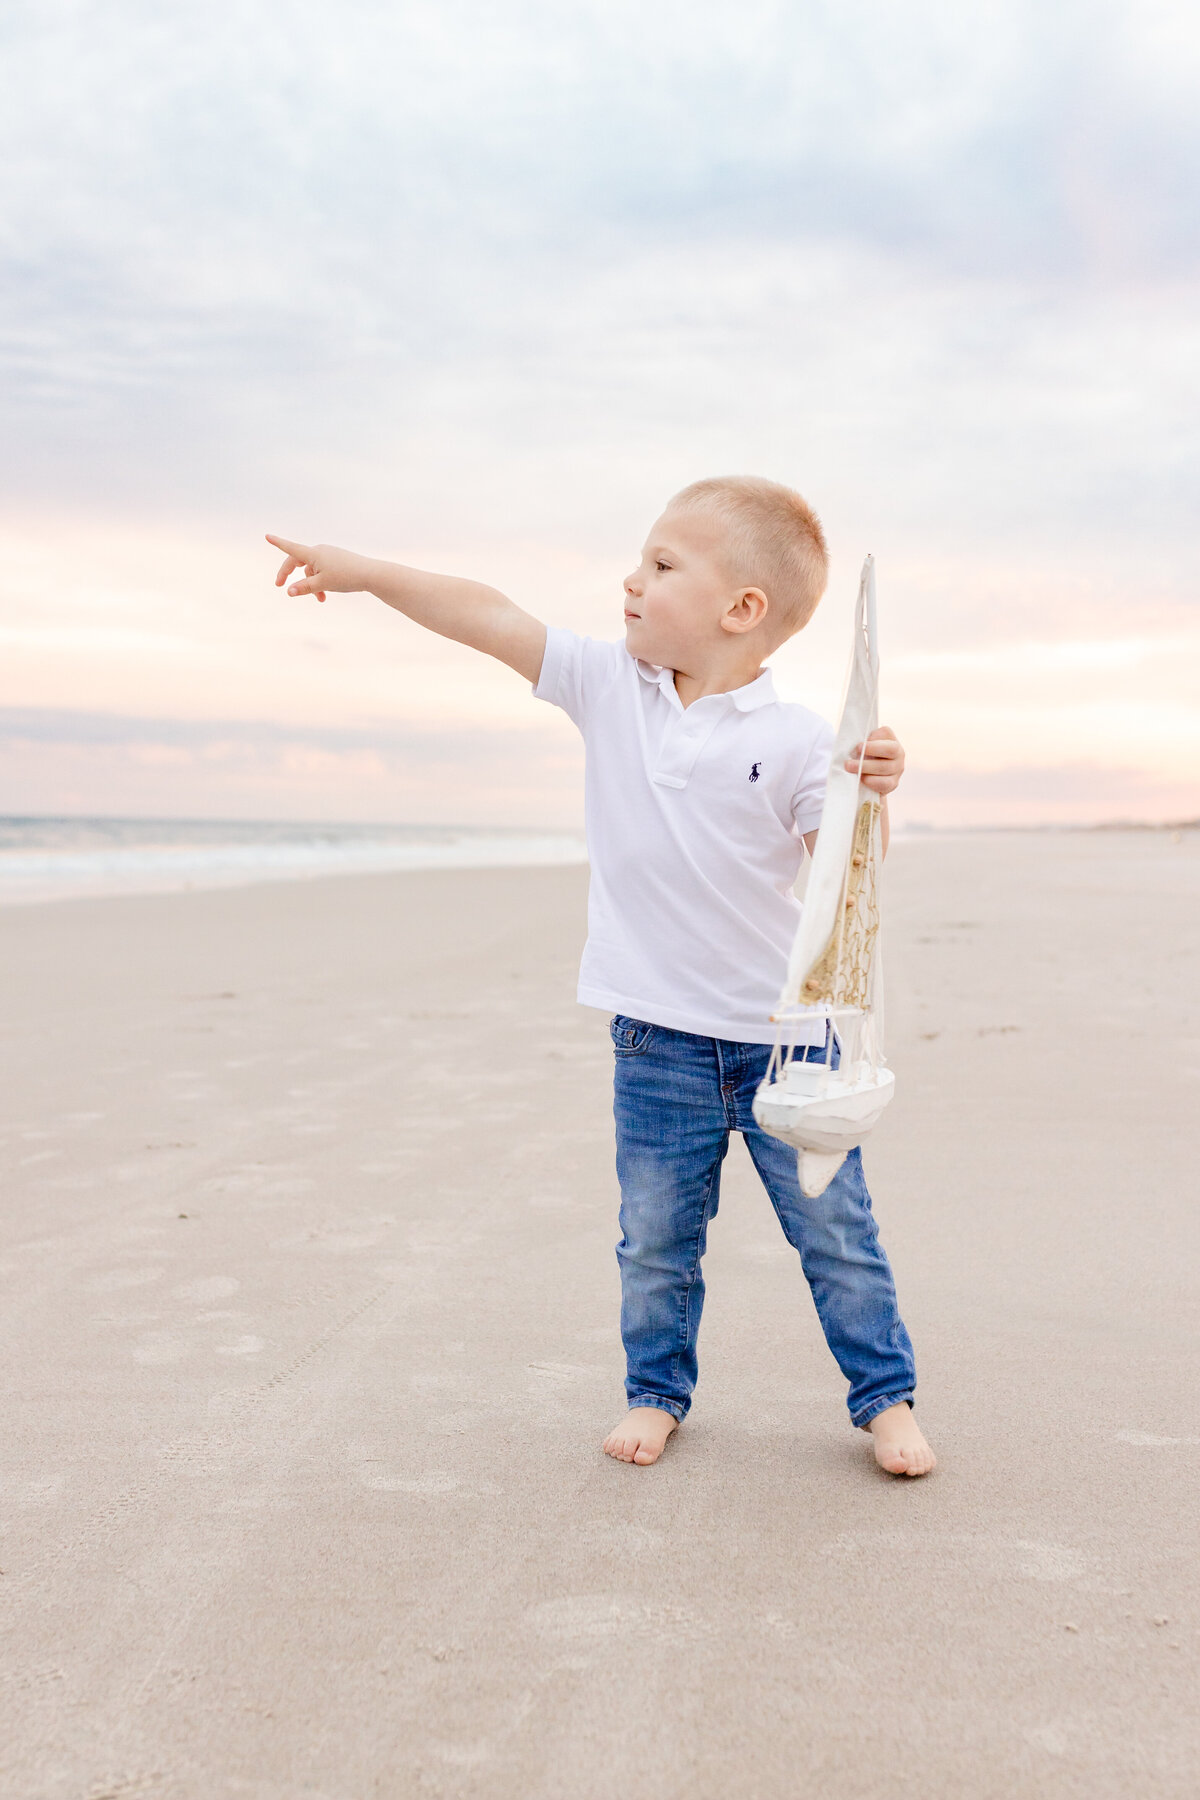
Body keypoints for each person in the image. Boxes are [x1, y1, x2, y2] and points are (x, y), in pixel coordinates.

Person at [266, 474, 936, 1479]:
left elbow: (849, 874)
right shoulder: (606, 687)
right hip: (655, 1039)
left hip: (790, 1048)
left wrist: (869, 793)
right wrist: (361, 573)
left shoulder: (796, 739)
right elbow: (488, 614)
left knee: (836, 1234)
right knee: (656, 1240)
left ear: (740, 610)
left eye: (662, 565)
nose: (631, 581)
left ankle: (885, 1401)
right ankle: (656, 1393)